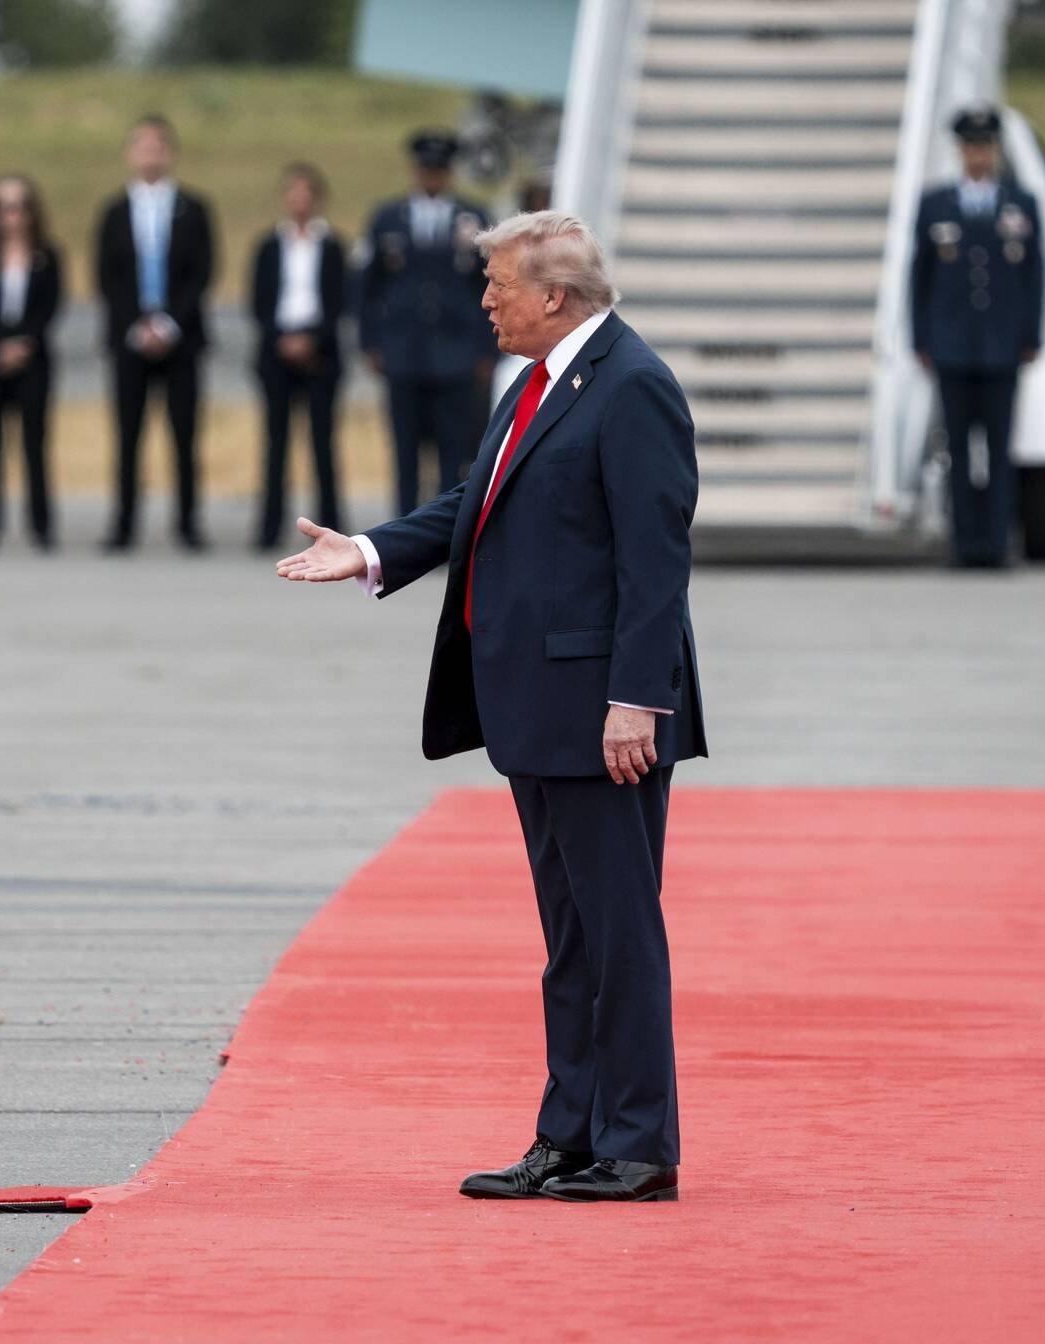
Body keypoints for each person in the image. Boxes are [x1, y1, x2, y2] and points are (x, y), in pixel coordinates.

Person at [277, 212, 704, 1204]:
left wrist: (635, 702)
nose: (482, 302)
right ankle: (571, 1133)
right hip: (537, 708)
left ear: (551, 295)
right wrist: (373, 550)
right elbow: (477, 498)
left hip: (604, 716)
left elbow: (655, 563)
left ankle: (638, 1146)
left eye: (495, 285)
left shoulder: (632, 387)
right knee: (569, 942)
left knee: (616, 932)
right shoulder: (537, 384)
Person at [910, 105, 1044, 568]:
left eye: (985, 146)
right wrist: (920, 338)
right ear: (960, 150)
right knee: (960, 451)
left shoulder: (1020, 204)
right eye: (971, 146)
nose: (979, 155)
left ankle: (997, 541)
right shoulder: (937, 205)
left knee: (1000, 448)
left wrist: (1032, 334)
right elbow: (920, 278)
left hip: (1003, 346)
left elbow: (1033, 276)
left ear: (995, 150)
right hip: (951, 345)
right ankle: (965, 542)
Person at [94, 114, 217, 552]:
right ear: (130, 154)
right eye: (142, 146)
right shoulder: (113, 211)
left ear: (170, 153)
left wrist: (168, 323)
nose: (150, 153)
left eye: (158, 145)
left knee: (184, 434)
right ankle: (124, 523)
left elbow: (202, 271)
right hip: (130, 339)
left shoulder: (194, 208)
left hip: (180, 338)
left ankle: (187, 523)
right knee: (128, 435)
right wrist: (138, 323)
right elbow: (107, 277)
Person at [357, 129, 496, 514]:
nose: (432, 177)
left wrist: (488, 349)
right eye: (426, 169)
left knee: (455, 449)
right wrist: (370, 342)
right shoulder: (388, 218)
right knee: (405, 449)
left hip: (456, 352)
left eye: (439, 169)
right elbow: (366, 287)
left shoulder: (475, 219)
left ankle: (447, 533)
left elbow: (494, 285)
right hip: (403, 351)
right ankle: (404, 532)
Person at [249, 161, 346, 553]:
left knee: (323, 440)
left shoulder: (334, 246)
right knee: (276, 441)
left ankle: (331, 525)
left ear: (318, 198)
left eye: (307, 192)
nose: (300, 200)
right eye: (293, 192)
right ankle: (269, 527)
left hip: (320, 353)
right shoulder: (269, 246)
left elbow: (339, 301)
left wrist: (311, 340)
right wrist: (283, 340)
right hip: (277, 351)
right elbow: (258, 302)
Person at [0, 173, 63, 551]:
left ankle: (41, 526)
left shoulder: (47, 257)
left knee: (35, 443)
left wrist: (23, 344)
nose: (12, 216)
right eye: (3, 208)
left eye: (20, 207)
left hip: (34, 360)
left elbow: (51, 306)